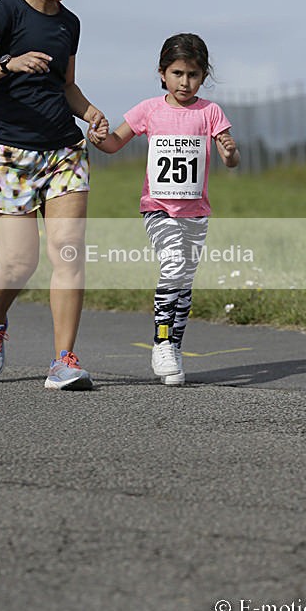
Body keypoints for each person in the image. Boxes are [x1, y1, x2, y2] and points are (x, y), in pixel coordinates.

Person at [0, 0, 108, 390]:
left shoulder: (70, 24)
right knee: (19, 264)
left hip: (63, 150)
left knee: (68, 252)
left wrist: (91, 114)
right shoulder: (6, 12)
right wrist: (9, 63)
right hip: (8, 153)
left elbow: (65, 87)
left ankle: (64, 360)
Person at [93, 33, 240, 384]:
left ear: (203, 76)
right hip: (158, 207)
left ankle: (174, 346)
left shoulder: (210, 112)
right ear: (162, 73)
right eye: (177, 73)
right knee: (173, 264)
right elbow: (115, 143)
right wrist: (98, 138)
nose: (184, 82)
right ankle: (160, 340)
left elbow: (230, 159)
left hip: (195, 210)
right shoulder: (149, 110)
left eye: (192, 75)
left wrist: (230, 151)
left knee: (184, 280)